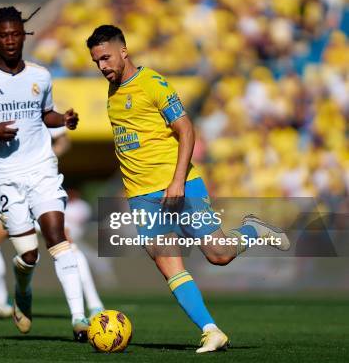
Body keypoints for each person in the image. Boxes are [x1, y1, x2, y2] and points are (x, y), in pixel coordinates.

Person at [86, 25, 290, 353]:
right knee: (169, 265)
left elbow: (186, 129)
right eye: (96, 61)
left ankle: (254, 229)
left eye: (106, 58)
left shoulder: (152, 83)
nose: (102, 66)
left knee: (219, 255)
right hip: (142, 198)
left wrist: (178, 179)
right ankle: (211, 331)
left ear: (124, 51)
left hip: (179, 186)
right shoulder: (112, 94)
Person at [0, 0, 88, 341]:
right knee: (28, 255)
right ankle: (23, 292)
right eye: (4, 35)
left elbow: (45, 115)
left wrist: (64, 120)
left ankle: (79, 319)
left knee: (57, 239)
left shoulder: (41, 76)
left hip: (42, 167)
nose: (11, 40)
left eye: (16, 34)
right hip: (5, 175)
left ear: (23, 36)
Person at [0, 128, 104, 322]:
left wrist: (42, 157)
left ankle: (94, 305)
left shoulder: (39, 102)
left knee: (65, 244)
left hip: (40, 186)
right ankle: (1, 301)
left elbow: (63, 140)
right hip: (9, 187)